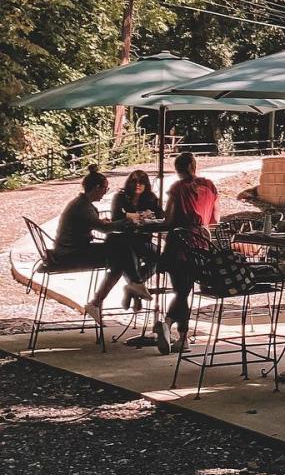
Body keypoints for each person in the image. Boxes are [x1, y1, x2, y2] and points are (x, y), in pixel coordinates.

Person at [50, 168, 152, 326]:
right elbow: (104, 229)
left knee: (119, 252)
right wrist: (128, 221)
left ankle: (104, 299)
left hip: (71, 249)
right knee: (120, 247)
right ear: (97, 188)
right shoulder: (83, 207)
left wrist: (105, 223)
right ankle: (132, 285)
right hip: (71, 253)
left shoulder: (82, 203)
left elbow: (94, 225)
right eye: (105, 188)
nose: (105, 192)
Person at [157, 152, 220, 354]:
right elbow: (215, 219)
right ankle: (182, 339)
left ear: (177, 170)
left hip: (179, 244)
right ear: (194, 165)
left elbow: (168, 220)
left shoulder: (177, 189)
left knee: (181, 291)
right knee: (186, 292)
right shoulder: (210, 187)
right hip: (201, 246)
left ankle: (167, 324)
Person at [111, 169, 164, 298]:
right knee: (127, 258)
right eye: (134, 181)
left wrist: (147, 217)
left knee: (160, 258)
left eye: (141, 182)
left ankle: (133, 286)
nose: (137, 185)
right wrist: (138, 215)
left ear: (146, 185)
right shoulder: (120, 197)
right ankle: (135, 286)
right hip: (124, 240)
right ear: (129, 183)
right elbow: (116, 216)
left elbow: (161, 216)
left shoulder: (151, 198)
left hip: (143, 240)